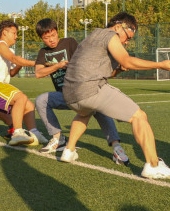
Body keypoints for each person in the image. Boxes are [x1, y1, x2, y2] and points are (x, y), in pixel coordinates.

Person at [60, 12, 170, 179]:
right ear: (118, 26)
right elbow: (127, 60)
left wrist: (118, 69)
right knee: (139, 116)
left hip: (70, 95)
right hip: (90, 89)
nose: (126, 42)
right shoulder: (110, 35)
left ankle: (68, 150)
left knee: (85, 112)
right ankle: (153, 165)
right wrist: (160, 65)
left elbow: (106, 72)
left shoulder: (92, 37)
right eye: (128, 37)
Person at [34, 18, 129, 164]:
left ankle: (117, 147)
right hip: (64, 95)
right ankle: (58, 139)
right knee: (41, 100)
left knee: (98, 107)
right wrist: (57, 66)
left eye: (53, 35)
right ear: (41, 38)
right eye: (46, 38)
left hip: (82, 90)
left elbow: (85, 59)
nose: (51, 40)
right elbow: (38, 73)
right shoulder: (43, 52)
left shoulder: (69, 43)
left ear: (57, 32)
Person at [0, 20, 47, 146]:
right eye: (14, 33)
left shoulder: (6, 49)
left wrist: (19, 64)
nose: (16, 36)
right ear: (5, 32)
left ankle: (34, 133)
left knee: (28, 105)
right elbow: (14, 59)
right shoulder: (0, 44)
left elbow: (12, 73)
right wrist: (38, 63)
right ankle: (17, 133)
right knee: (21, 98)